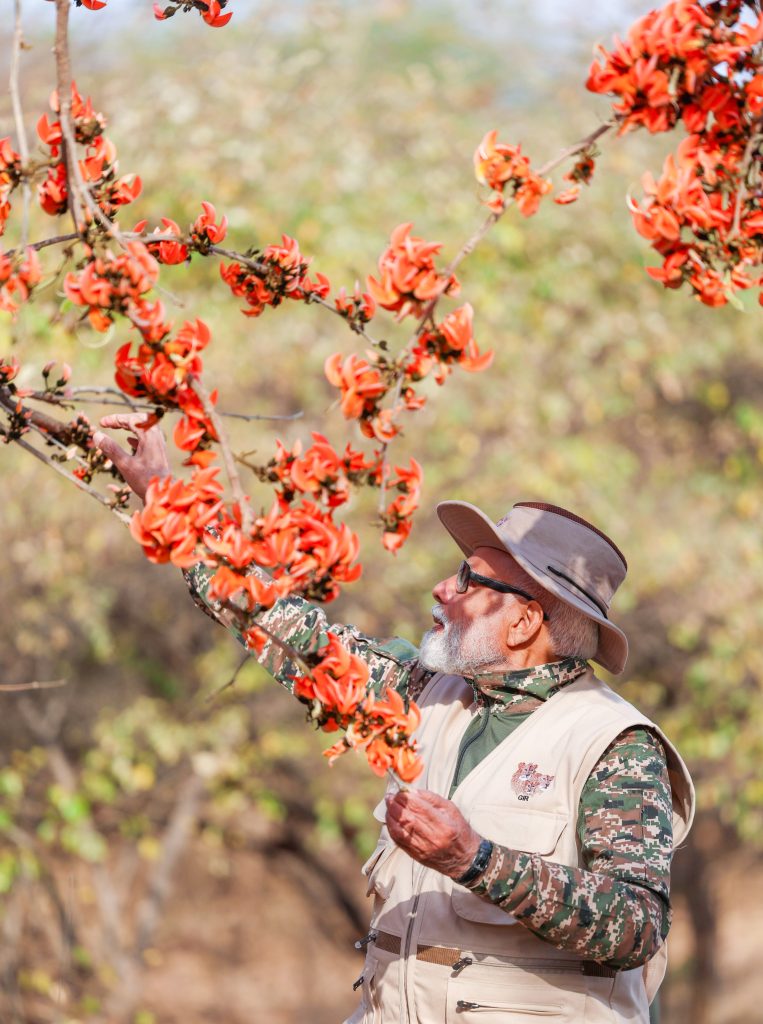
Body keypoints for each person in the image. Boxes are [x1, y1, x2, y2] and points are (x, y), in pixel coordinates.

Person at [94, 414, 695, 1024]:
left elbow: (635, 925)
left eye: (468, 579)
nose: (441, 588)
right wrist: (168, 503)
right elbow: (293, 634)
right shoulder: (423, 691)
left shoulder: (613, 744)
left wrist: (476, 859)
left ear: (523, 623)